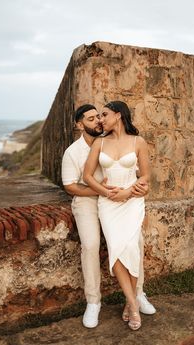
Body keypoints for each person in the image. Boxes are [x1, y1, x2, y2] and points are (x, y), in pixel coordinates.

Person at [61, 104, 155, 329]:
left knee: (136, 243)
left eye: (100, 116)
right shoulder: (74, 152)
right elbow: (71, 186)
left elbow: (142, 175)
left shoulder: (125, 140)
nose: (98, 121)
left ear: (117, 116)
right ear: (79, 124)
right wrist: (104, 192)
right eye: (92, 119)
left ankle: (136, 295)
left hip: (122, 199)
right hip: (89, 200)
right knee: (92, 245)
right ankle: (93, 302)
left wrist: (137, 189)